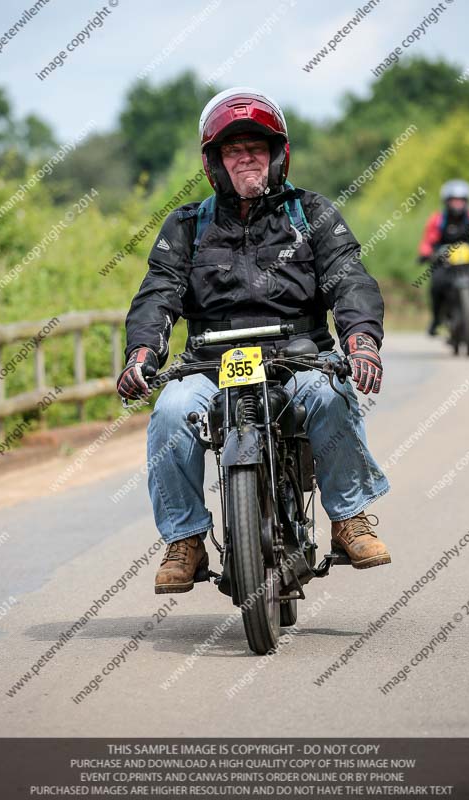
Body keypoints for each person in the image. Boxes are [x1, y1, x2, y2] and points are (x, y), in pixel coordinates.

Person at [117, 87, 391, 594]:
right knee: (171, 413)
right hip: (208, 362)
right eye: (233, 150)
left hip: (300, 353)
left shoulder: (312, 214)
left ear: (278, 154)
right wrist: (141, 353)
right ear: (214, 163)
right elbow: (158, 293)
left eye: (256, 148)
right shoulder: (185, 225)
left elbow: (349, 278)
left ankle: (349, 517)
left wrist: (361, 340)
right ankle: (185, 540)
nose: (246, 157)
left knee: (332, 395)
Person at [418, 179, 469, 335]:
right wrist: (425, 253)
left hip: (466, 264)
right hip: (443, 264)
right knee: (436, 286)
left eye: (461, 200)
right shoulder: (438, 219)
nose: (457, 204)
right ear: (447, 201)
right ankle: (436, 320)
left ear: (466, 201)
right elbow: (428, 241)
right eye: (454, 200)